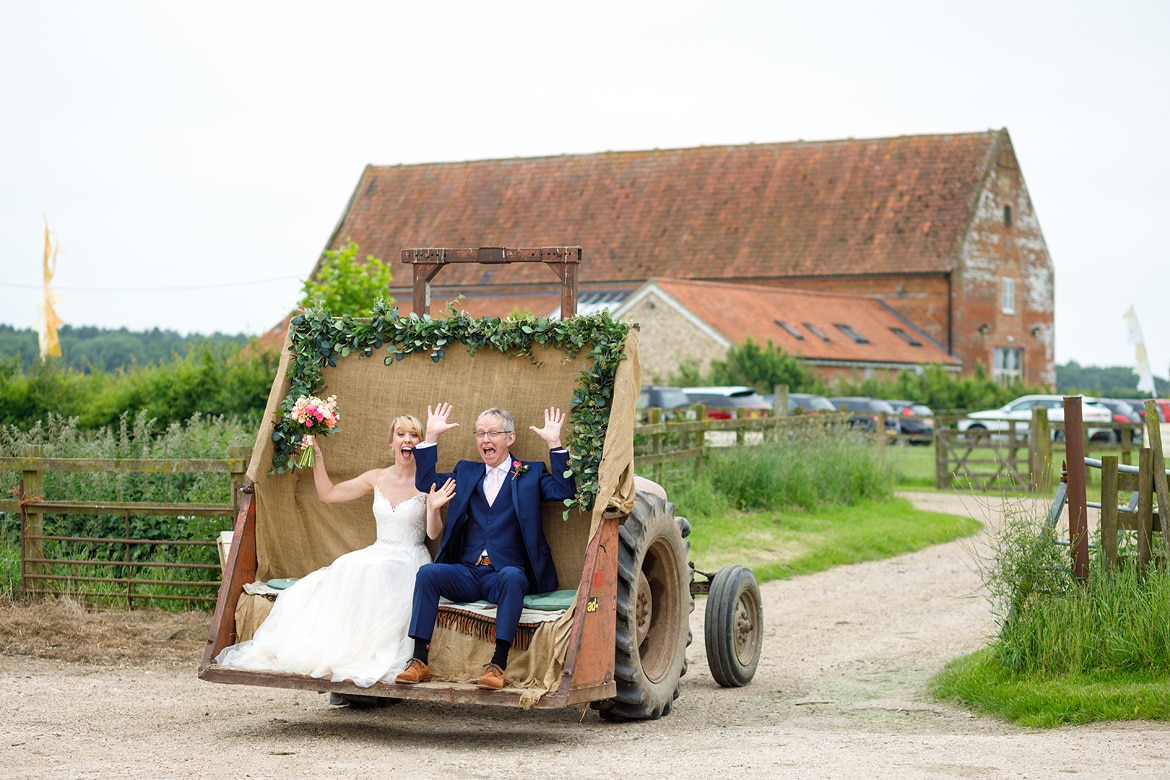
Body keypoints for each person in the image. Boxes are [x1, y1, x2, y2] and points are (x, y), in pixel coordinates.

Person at [215, 414, 456, 689]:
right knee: (345, 565)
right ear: (391, 442)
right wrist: (317, 455)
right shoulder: (377, 477)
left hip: (408, 557)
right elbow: (328, 494)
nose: (408, 440)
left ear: (421, 442)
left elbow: (433, 534)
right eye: (401, 434)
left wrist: (434, 507)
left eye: (414, 435)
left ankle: (370, 654)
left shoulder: (427, 481)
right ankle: (335, 649)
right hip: (379, 551)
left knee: (375, 570)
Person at [394, 403, 576, 691]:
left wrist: (555, 443)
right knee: (428, 573)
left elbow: (566, 492)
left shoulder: (529, 473)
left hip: (502, 576)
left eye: (492, 433)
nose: (485, 440)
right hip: (467, 572)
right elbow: (426, 482)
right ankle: (419, 660)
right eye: (480, 434)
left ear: (510, 438)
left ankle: (498, 664)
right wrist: (430, 437)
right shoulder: (466, 472)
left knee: (514, 576)